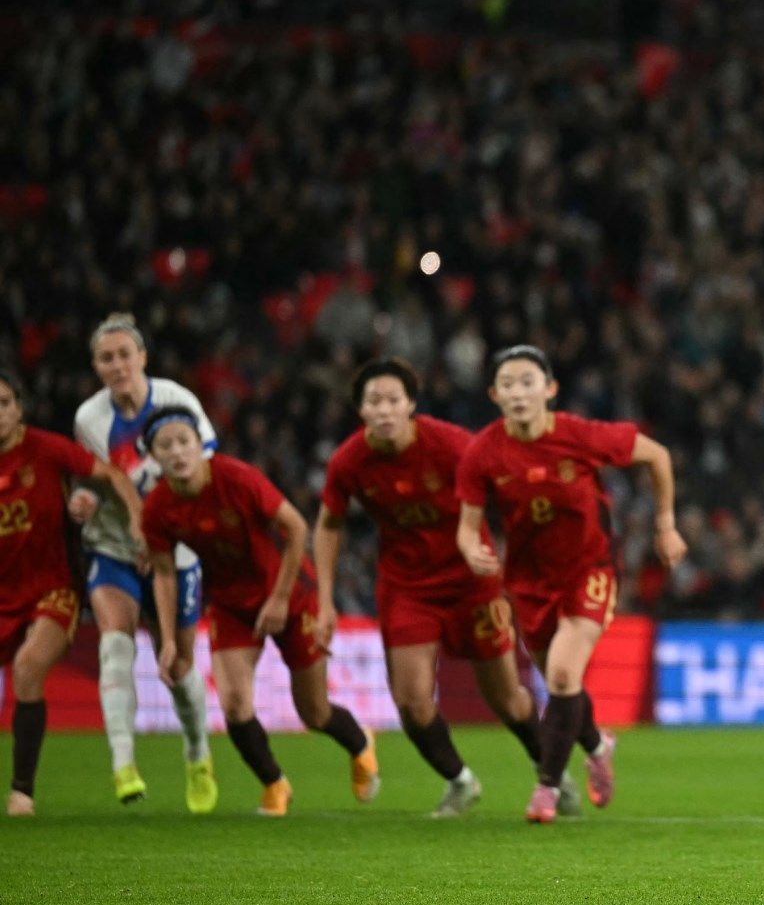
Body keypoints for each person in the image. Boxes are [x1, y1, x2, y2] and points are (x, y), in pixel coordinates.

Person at [317, 357, 580, 817]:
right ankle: (459, 781)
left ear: (411, 405)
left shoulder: (453, 446)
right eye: (373, 401)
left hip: (471, 583)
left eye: (393, 400)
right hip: (407, 589)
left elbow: (509, 490)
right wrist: (323, 599)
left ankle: (551, 776)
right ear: (360, 410)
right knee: (411, 703)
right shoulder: (349, 462)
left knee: (508, 700)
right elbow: (328, 525)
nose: (383, 410)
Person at [456, 345, 687, 823]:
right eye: (509, 384)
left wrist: (666, 525)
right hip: (527, 582)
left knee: (561, 675)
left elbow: (657, 455)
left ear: (550, 389)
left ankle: (545, 790)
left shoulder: (580, 435)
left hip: (590, 569)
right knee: (562, 682)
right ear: (494, 395)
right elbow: (467, 523)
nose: (519, 392)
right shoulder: (483, 451)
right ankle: (598, 745)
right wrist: (469, 547)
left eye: (528, 381)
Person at [140, 407, 380, 816]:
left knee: (314, 711)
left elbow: (297, 529)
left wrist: (280, 599)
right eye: (167, 445)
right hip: (233, 605)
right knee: (234, 705)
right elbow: (163, 574)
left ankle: (360, 744)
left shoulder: (236, 478)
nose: (178, 452)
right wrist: (164, 639)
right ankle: (274, 784)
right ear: (153, 456)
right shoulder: (158, 509)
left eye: (185, 442)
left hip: (290, 594)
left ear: (201, 445)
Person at [68, 313, 219, 809]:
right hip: (114, 546)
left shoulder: (178, 402)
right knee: (115, 646)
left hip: (173, 551)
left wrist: (161, 523)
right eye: (106, 358)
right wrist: (85, 497)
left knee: (175, 665)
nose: (116, 365)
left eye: (124, 355)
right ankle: (123, 765)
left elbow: (205, 470)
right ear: (95, 366)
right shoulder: (90, 420)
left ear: (142, 359)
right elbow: (95, 475)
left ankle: (197, 754)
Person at [1, 371, 148, 816]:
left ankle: (22, 792)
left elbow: (111, 476)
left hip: (53, 589)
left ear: (19, 409)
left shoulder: (46, 449)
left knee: (28, 669)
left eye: (4, 402)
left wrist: (135, 521)